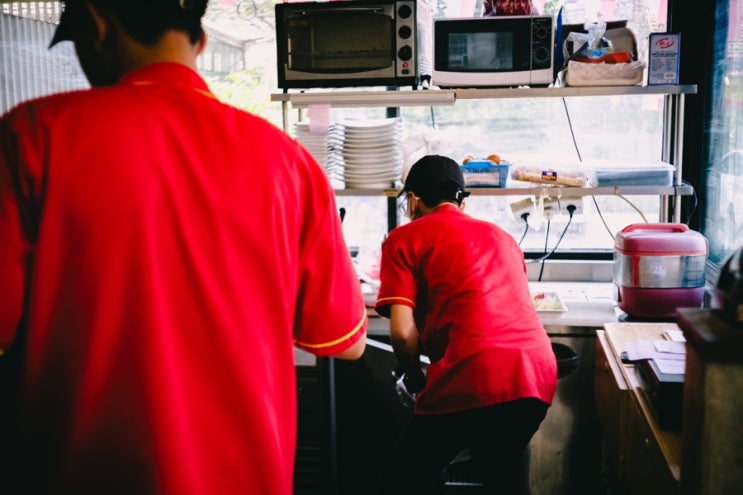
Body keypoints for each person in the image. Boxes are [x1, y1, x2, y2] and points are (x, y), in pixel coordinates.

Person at [0, 1, 367, 493]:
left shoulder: (32, 135)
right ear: (201, 42)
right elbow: (347, 341)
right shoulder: (291, 164)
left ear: (96, 26)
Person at [374, 155, 557, 494]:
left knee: (399, 483)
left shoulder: (403, 239)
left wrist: (413, 377)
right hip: (536, 377)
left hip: (473, 374)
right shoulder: (503, 237)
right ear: (461, 201)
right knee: (496, 479)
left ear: (412, 200)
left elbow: (401, 331)